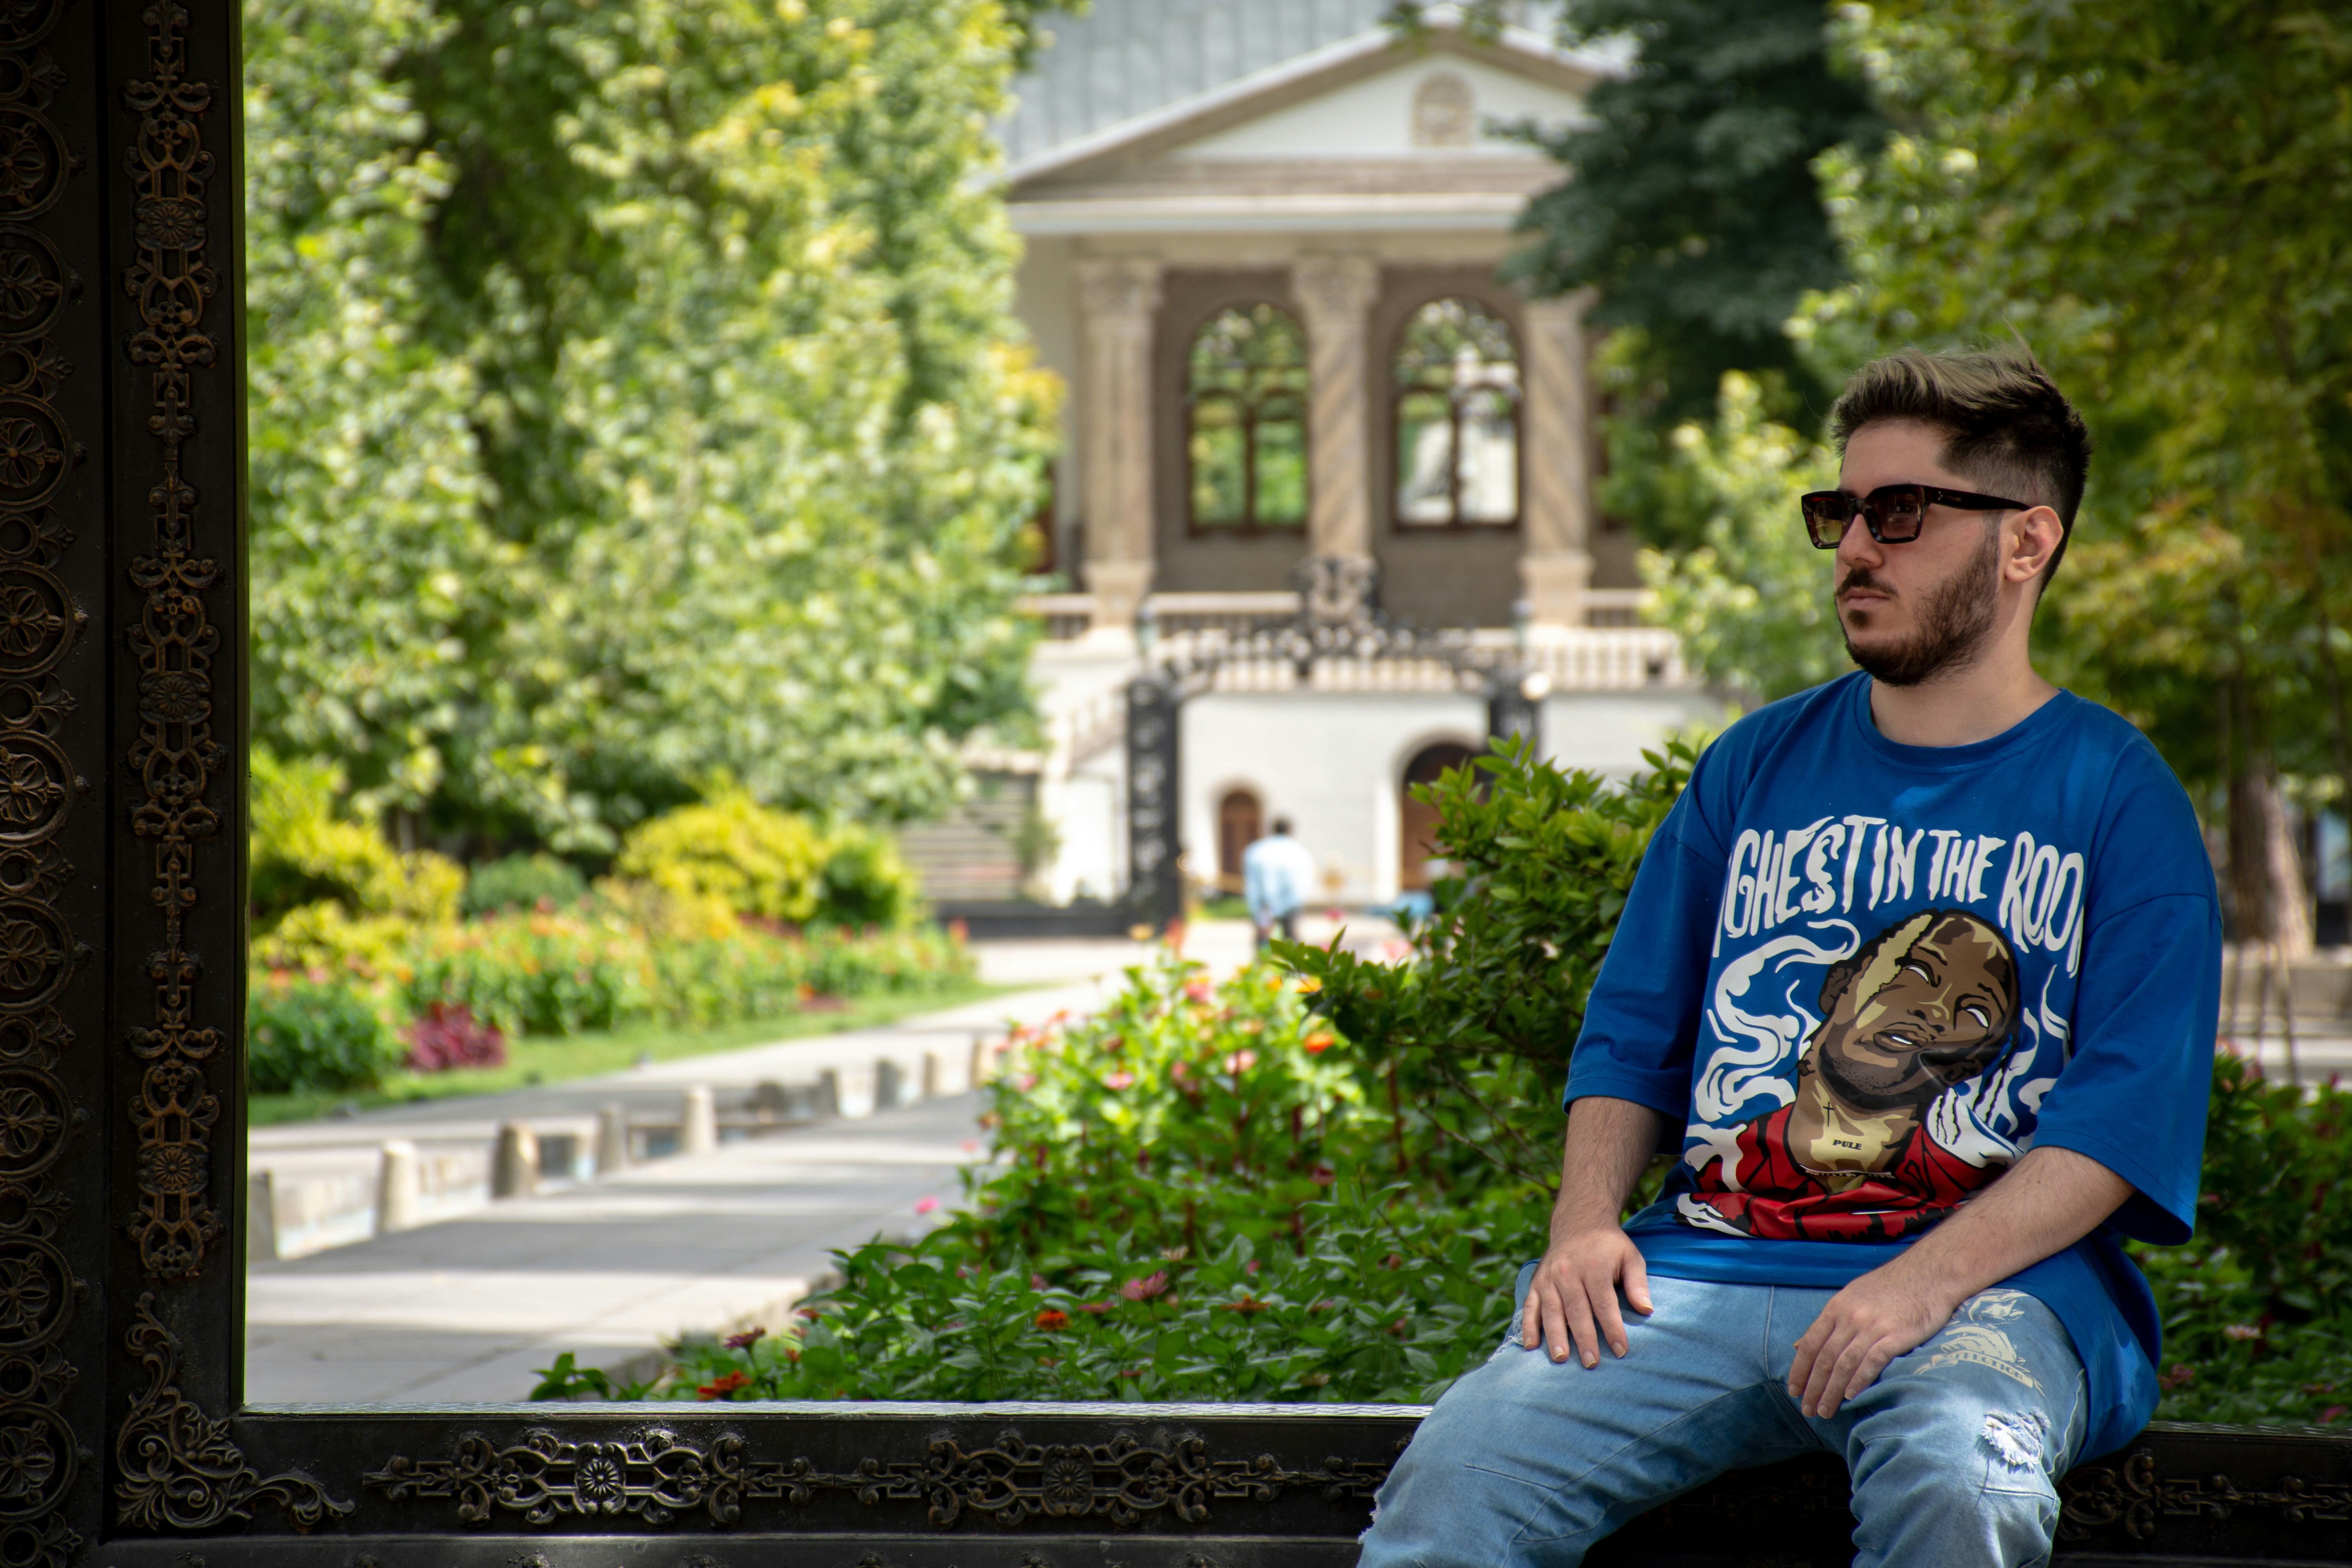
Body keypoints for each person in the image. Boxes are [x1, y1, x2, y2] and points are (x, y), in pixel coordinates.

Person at [1356, 345, 2220, 1568]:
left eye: (1900, 513)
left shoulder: (2114, 796)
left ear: (2024, 543)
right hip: (1695, 1273)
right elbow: (1630, 1030)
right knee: (1455, 1482)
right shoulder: (1750, 768)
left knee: (1959, 1478)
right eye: (1839, 511)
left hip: (1986, 1296)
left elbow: (2119, 1120)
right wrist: (1582, 1222)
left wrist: (1920, 1283)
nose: (1853, 547)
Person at [1243, 817, 1316, 948]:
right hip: (1291, 906)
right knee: (1291, 947)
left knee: (1265, 948)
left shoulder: (1257, 851)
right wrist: (1290, 903)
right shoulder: (1301, 852)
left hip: (1264, 906)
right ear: (1291, 831)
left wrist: (1259, 909)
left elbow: (1252, 885)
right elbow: (1304, 885)